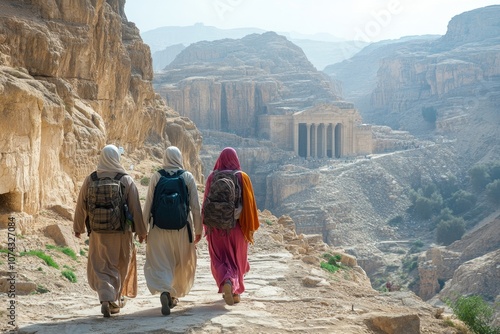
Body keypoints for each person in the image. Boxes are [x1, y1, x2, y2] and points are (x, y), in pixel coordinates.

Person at [73, 144, 147, 318]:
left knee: (101, 265)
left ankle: (106, 298)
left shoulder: (90, 179)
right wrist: (141, 231)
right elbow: (136, 207)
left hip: (97, 232)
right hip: (121, 233)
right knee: (120, 263)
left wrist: (78, 228)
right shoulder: (125, 180)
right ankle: (113, 298)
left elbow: (80, 205)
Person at [142, 146, 202, 316]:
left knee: (162, 261)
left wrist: (142, 229)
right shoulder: (187, 177)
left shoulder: (156, 176)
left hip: (158, 229)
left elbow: (148, 205)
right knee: (180, 262)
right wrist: (198, 230)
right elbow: (195, 208)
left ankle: (165, 291)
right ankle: (173, 294)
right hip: (182, 229)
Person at [203, 147, 259, 305]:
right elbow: (250, 206)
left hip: (215, 227)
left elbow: (205, 204)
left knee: (219, 259)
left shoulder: (212, 177)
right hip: (236, 228)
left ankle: (226, 282)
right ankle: (234, 291)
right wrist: (250, 228)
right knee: (236, 261)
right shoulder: (242, 177)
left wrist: (205, 228)